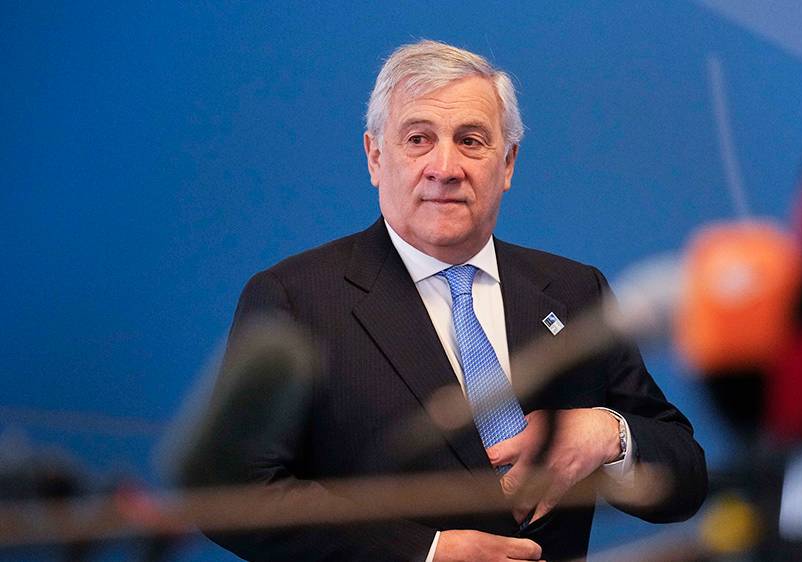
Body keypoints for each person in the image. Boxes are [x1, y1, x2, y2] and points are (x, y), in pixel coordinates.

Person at [211, 39, 706, 561]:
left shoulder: (574, 291)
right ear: (375, 157)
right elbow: (233, 492)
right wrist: (425, 552)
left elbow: (687, 479)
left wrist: (606, 432)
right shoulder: (296, 299)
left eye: (471, 141)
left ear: (508, 163)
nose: (445, 167)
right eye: (418, 139)